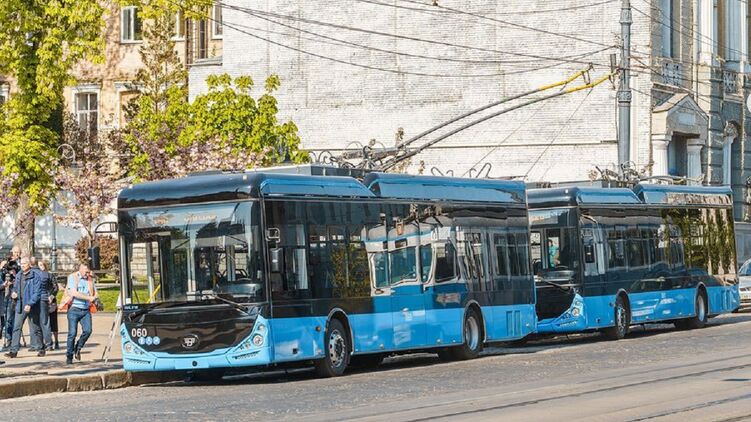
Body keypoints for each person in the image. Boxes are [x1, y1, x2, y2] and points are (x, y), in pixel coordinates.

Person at [4, 257, 42, 358]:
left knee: (35, 328)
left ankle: (41, 347)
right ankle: (13, 351)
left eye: (24, 263)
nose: (22, 265)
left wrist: (30, 304)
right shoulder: (19, 275)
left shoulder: (35, 276)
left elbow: (37, 293)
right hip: (20, 305)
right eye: (21, 263)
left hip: (31, 306)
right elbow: (15, 288)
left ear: (29, 264)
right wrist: (14, 293)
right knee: (16, 327)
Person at [65, 264, 97, 365]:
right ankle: (69, 355)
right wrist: (88, 298)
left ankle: (78, 347)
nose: (87, 274)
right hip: (74, 309)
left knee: (88, 331)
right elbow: (74, 293)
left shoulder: (90, 279)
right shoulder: (73, 277)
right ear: (80, 269)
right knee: (72, 333)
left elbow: (95, 293)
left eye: (88, 272)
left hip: (85, 310)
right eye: (86, 272)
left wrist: (96, 299)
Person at [0, 246, 21, 349]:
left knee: (17, 319)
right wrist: (2, 269)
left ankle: (16, 340)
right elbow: (2, 278)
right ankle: (9, 339)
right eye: (15, 252)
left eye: (18, 252)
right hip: (7, 294)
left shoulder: (21, 264)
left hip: (18, 295)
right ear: (12, 252)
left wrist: (16, 275)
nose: (16, 254)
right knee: (8, 318)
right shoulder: (6, 263)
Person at [35, 260, 54, 354]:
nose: (40, 267)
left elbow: (55, 287)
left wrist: (51, 295)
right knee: (37, 323)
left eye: (42, 265)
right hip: (37, 299)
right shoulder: (35, 274)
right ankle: (39, 344)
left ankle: (48, 343)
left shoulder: (48, 275)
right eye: (39, 265)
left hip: (44, 298)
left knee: (45, 321)